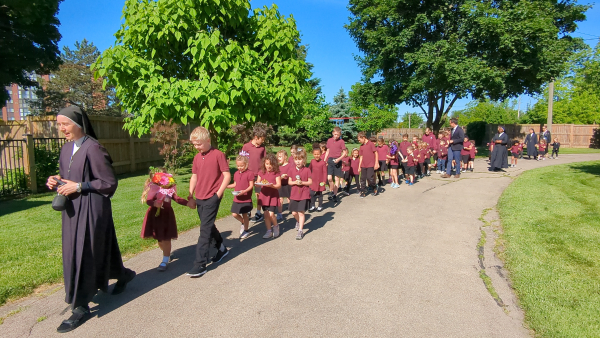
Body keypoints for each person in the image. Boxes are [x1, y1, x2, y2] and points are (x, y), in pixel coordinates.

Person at [46, 106, 135, 333]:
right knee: (83, 250)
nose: (61, 129)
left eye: (64, 124)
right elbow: (69, 177)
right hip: (73, 209)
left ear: (78, 124)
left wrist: (80, 186)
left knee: (85, 252)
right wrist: (56, 181)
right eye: (59, 125)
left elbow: (108, 183)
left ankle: (81, 306)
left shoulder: (94, 148)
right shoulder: (67, 149)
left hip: (93, 208)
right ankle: (123, 274)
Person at [186, 127, 230, 278]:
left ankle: (200, 265)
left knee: (204, 230)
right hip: (200, 197)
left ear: (208, 140)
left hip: (213, 196)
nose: (196, 147)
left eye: (198, 144)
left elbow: (227, 175)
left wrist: (218, 194)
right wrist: (190, 194)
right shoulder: (197, 157)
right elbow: (194, 176)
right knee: (208, 225)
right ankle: (222, 248)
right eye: (194, 144)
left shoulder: (218, 155)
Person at [141, 168, 189, 271]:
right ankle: (166, 253)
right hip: (155, 215)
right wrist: (154, 203)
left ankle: (165, 260)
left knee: (166, 238)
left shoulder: (169, 188)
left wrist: (187, 203)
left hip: (166, 215)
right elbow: (148, 200)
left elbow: (176, 198)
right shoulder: (152, 187)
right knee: (159, 239)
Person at [226, 153, 255, 239]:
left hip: (245, 198)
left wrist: (244, 191)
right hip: (237, 197)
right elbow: (235, 184)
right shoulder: (236, 173)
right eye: (238, 166)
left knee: (245, 214)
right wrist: (226, 186)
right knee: (234, 214)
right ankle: (243, 222)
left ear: (246, 164)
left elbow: (251, 185)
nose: (240, 168)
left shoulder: (250, 173)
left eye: (242, 166)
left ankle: (246, 230)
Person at [242, 126, 266, 222]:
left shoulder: (262, 148)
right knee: (247, 193)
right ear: (256, 137)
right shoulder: (246, 146)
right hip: (248, 174)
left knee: (258, 194)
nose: (263, 142)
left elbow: (264, 160)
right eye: (262, 139)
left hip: (259, 174)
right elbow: (242, 160)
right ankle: (248, 210)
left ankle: (259, 213)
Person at [288, 149, 313, 240]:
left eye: (300, 159)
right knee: (294, 212)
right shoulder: (291, 170)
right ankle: (298, 221)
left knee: (301, 212)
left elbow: (310, 182)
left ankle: (300, 231)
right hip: (294, 194)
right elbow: (289, 182)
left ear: (304, 160)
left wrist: (302, 182)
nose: (298, 161)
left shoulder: (307, 170)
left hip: (304, 194)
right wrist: (295, 182)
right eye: (296, 159)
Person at [257, 153, 282, 238]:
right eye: (267, 164)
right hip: (264, 195)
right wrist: (256, 184)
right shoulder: (261, 172)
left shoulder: (276, 173)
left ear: (274, 164)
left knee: (271, 214)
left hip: (272, 195)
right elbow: (258, 182)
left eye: (270, 164)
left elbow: (279, 185)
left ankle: (275, 226)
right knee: (266, 214)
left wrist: (272, 185)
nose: (268, 166)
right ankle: (268, 230)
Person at [325, 127, 347, 202]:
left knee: (337, 179)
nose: (336, 136)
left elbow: (344, 153)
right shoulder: (329, 140)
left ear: (340, 134)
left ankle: (334, 194)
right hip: (330, 160)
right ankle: (331, 191)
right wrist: (325, 160)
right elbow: (327, 151)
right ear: (332, 133)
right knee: (329, 178)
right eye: (335, 134)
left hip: (337, 160)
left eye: (338, 135)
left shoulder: (341, 141)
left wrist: (339, 159)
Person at [358, 132, 379, 198]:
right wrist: (359, 166)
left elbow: (376, 153)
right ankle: (363, 192)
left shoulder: (371, 144)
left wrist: (376, 163)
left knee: (370, 178)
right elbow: (361, 157)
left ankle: (374, 187)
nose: (359, 141)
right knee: (362, 179)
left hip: (370, 164)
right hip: (363, 165)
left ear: (363, 138)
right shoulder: (361, 146)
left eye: (359, 140)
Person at [309, 144, 327, 211]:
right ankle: (312, 205)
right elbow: (309, 169)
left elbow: (325, 172)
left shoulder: (323, 163)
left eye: (318, 154)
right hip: (313, 180)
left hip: (320, 181)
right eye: (315, 154)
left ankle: (320, 206)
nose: (317, 156)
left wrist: (324, 180)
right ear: (313, 154)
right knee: (311, 193)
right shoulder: (312, 161)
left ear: (321, 154)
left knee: (319, 194)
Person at [276, 150, 291, 221]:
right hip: (280, 184)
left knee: (289, 198)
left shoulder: (289, 165)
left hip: (288, 184)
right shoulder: (278, 166)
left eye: (280, 157)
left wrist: (286, 175)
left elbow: (291, 174)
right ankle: (279, 213)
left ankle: (293, 209)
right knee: (280, 199)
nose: (279, 158)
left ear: (285, 157)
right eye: (278, 157)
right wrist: (280, 177)